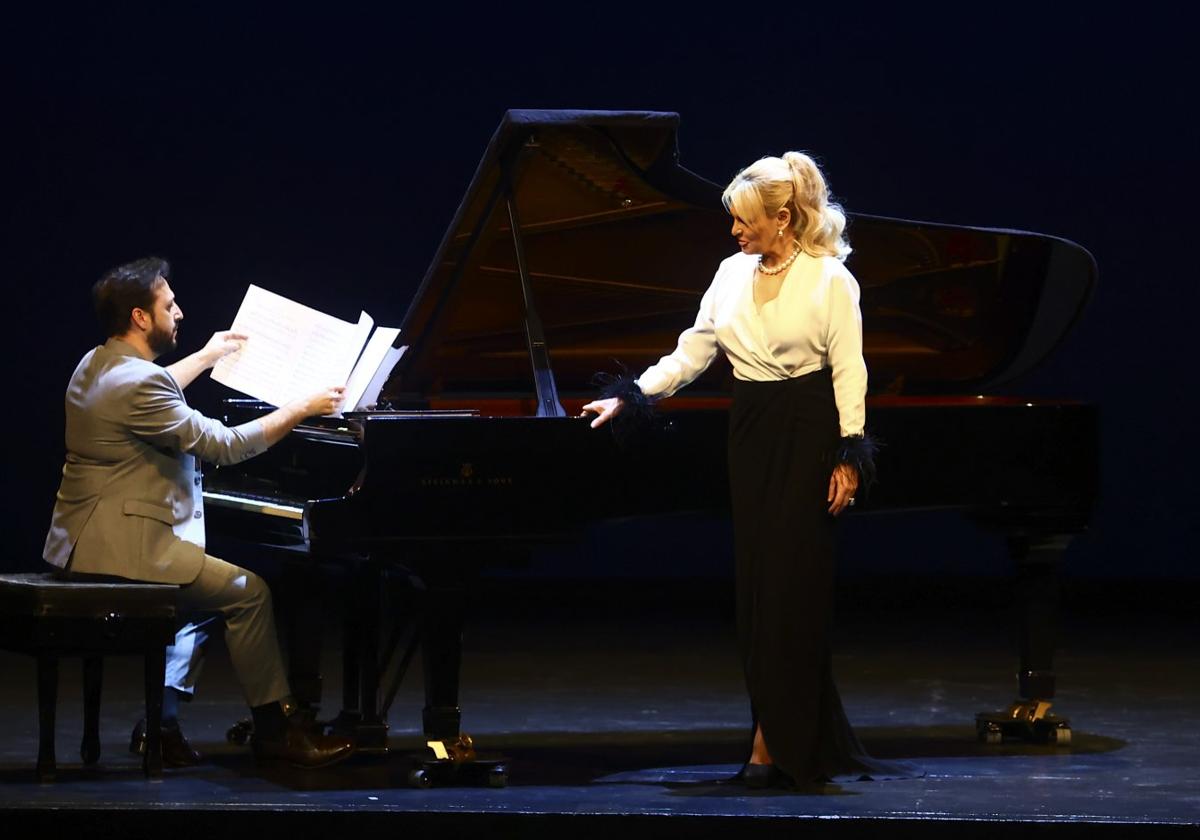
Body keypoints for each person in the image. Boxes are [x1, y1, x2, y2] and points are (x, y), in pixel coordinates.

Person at [583, 153, 911, 789]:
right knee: (758, 590)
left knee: (794, 588)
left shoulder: (829, 279)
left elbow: (850, 367)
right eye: (733, 220)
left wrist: (849, 452)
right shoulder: (730, 273)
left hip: (810, 429)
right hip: (752, 429)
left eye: (745, 220)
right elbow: (694, 350)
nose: (734, 231)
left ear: (783, 218)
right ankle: (781, 735)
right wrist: (633, 394)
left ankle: (777, 749)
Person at [43, 256, 355, 769]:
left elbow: (156, 383)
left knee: (210, 599)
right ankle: (277, 730)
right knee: (249, 594)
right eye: (169, 305)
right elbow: (227, 445)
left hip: (82, 538)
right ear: (141, 318)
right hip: (121, 550)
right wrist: (300, 407)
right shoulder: (142, 386)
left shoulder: (97, 363)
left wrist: (208, 357)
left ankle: (160, 724)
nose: (180, 313)